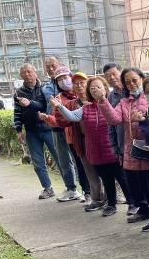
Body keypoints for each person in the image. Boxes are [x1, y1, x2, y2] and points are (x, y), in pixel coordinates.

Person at [99, 67, 149, 235]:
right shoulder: (125, 102)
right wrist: (103, 101)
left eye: (134, 80)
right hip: (134, 153)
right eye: (127, 82)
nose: (131, 84)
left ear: (141, 78)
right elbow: (114, 119)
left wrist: (144, 120)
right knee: (144, 189)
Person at [54, 76, 132, 217]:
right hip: (96, 152)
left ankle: (132, 203)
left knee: (122, 178)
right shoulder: (86, 108)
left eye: (98, 87)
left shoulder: (112, 104)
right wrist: (59, 107)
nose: (95, 89)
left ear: (105, 89)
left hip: (112, 151)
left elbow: (117, 121)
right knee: (107, 179)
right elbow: (72, 117)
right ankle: (111, 204)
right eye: (92, 88)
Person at [41, 69, 103, 210]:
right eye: (76, 84)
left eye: (82, 83)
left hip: (100, 142)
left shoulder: (97, 99)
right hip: (79, 141)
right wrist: (57, 109)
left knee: (105, 171)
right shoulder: (69, 102)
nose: (79, 86)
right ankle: (94, 198)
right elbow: (63, 120)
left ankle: (111, 197)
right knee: (87, 170)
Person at [13, 63, 64, 199]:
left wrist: (30, 103)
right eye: (24, 73)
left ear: (35, 72)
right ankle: (47, 188)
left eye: (29, 72)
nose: (27, 75)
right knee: (38, 162)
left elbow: (43, 105)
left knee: (60, 157)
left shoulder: (45, 88)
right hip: (31, 131)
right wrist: (19, 130)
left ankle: (70, 186)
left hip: (48, 128)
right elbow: (17, 113)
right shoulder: (18, 92)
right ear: (21, 76)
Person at [42, 59, 80, 202]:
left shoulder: (76, 84)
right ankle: (71, 188)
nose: (51, 69)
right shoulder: (46, 88)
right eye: (48, 67)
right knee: (63, 159)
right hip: (56, 127)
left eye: (53, 65)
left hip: (74, 128)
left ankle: (89, 191)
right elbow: (44, 105)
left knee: (79, 159)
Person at [103, 62, 132, 213]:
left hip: (139, 142)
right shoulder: (111, 97)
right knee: (129, 177)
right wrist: (114, 146)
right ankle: (136, 205)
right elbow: (110, 124)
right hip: (122, 144)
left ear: (121, 72)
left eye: (114, 74)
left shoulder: (132, 90)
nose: (112, 78)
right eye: (108, 76)